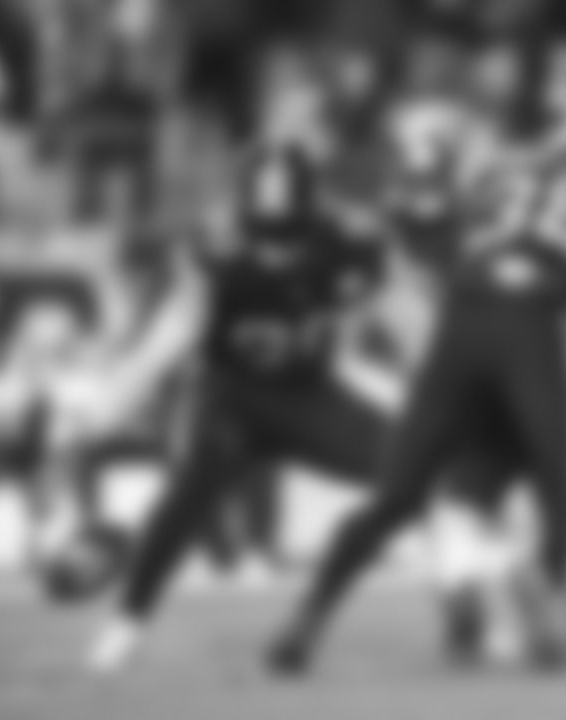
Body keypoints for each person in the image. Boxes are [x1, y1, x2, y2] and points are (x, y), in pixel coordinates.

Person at [267, 91, 566, 674]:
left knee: (398, 496)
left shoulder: (505, 176)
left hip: (463, 322)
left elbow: (452, 234)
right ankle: (546, 587)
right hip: (534, 325)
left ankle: (309, 616)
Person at [86, 124, 391, 672]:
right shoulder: (217, 247)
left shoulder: (343, 242)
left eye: (284, 192)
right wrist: (114, 401)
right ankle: (126, 621)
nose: (276, 248)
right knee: (184, 500)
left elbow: (378, 312)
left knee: (408, 469)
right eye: (265, 193)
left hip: (310, 395)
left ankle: (320, 615)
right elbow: (174, 334)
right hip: (234, 397)